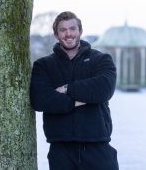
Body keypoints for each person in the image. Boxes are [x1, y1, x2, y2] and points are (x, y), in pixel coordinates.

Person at [30, 11, 119, 170]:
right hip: (61, 151)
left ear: (80, 31)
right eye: (63, 30)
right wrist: (80, 101)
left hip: (98, 147)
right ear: (56, 34)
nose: (68, 34)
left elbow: (104, 89)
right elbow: (39, 99)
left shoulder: (101, 59)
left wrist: (67, 88)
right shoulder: (43, 65)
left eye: (72, 28)